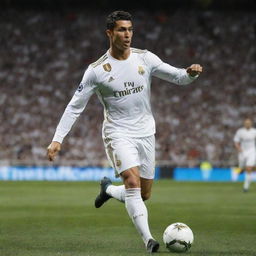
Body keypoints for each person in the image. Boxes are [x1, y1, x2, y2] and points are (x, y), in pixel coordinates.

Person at [47, 10, 202, 253]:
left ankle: (108, 189)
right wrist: (57, 140)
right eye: (121, 29)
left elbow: (177, 76)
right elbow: (74, 106)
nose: (127, 34)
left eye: (130, 29)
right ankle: (149, 240)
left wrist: (190, 74)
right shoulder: (97, 70)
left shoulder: (145, 58)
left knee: (144, 193)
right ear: (110, 33)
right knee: (131, 181)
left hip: (146, 132)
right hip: (117, 133)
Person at [234, 118, 256, 192]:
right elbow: (236, 141)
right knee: (242, 167)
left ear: (251, 124)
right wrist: (239, 148)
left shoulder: (254, 132)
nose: (247, 124)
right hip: (242, 151)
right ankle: (242, 168)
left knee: (249, 168)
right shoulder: (240, 131)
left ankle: (246, 187)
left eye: (249, 123)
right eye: (246, 123)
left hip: (252, 151)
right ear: (244, 124)